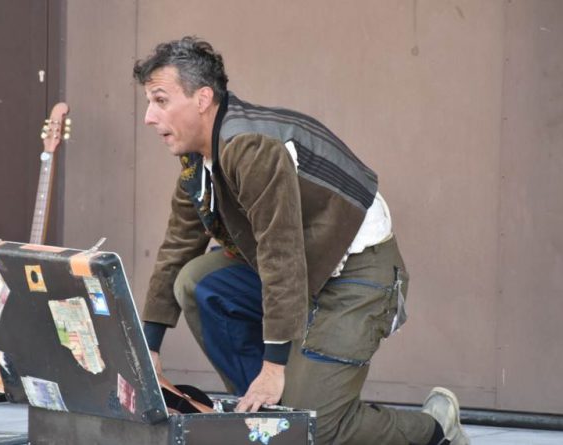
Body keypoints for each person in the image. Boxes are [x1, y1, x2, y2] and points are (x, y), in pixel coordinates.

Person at [134, 36, 470, 445]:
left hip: (356, 273)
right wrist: (149, 348)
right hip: (303, 270)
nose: (149, 117)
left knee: (316, 428)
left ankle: (435, 430)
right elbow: (177, 246)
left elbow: (281, 254)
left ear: (202, 98)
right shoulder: (198, 159)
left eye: (160, 100)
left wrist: (274, 366)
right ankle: (268, 417)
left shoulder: (251, 148)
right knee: (196, 281)